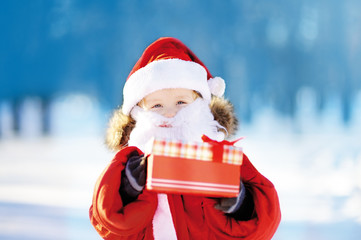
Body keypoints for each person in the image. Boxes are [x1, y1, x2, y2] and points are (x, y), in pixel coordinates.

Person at [89, 37, 281, 240]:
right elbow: (105, 221)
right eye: (157, 106)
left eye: (181, 102)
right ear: (139, 111)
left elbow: (266, 218)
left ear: (200, 103)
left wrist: (242, 203)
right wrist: (128, 190)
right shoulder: (129, 162)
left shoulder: (219, 155)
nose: (170, 113)